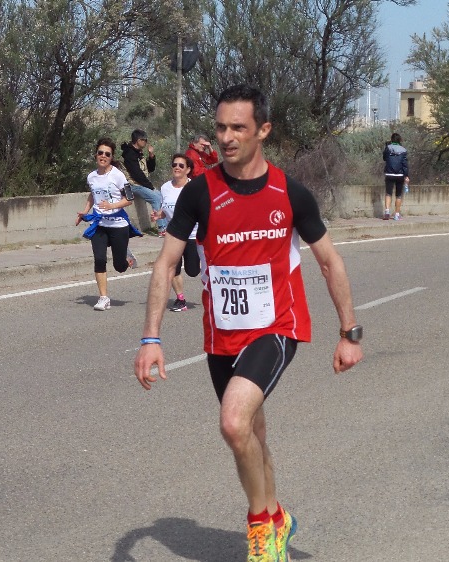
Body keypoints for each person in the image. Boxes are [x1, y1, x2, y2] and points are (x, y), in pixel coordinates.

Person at [134, 84, 364, 562]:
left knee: (233, 422)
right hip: (222, 337)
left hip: (275, 328)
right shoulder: (200, 192)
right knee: (251, 436)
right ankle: (277, 515)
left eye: (238, 127)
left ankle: (260, 528)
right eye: (221, 127)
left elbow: (329, 262)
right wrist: (151, 337)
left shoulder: (289, 193)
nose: (226, 137)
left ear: (263, 130)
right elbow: (165, 264)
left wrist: (349, 333)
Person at [78, 138, 135, 311]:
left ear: (111, 157)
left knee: (119, 267)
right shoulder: (91, 176)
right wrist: (85, 212)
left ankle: (127, 257)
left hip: (118, 225)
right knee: (100, 259)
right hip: (99, 224)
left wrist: (112, 205)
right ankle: (103, 297)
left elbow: (129, 199)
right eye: (100, 153)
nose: (103, 156)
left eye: (107, 154)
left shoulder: (117, 175)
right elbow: (92, 195)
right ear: (96, 154)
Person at [153, 153, 200, 311]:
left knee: (193, 271)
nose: (177, 168)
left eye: (181, 165)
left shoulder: (195, 188)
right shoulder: (165, 188)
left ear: (188, 170)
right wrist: (159, 215)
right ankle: (181, 300)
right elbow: (165, 209)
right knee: (172, 267)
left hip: (193, 235)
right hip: (174, 235)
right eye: (174, 165)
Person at [120, 129, 166, 235]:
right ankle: (162, 228)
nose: (146, 142)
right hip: (132, 184)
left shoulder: (139, 153)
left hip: (140, 184)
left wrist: (151, 156)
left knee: (161, 196)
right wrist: (150, 187)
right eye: (144, 140)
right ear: (138, 140)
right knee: (155, 198)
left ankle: (167, 226)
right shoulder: (129, 154)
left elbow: (150, 169)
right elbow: (137, 175)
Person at [382, 133, 409, 221]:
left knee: (388, 193)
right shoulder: (403, 150)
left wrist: (386, 146)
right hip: (400, 175)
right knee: (398, 195)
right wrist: (406, 175)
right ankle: (397, 215)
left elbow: (384, 158)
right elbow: (405, 164)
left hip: (389, 174)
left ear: (391, 139)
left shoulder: (388, 148)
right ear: (400, 140)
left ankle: (387, 212)